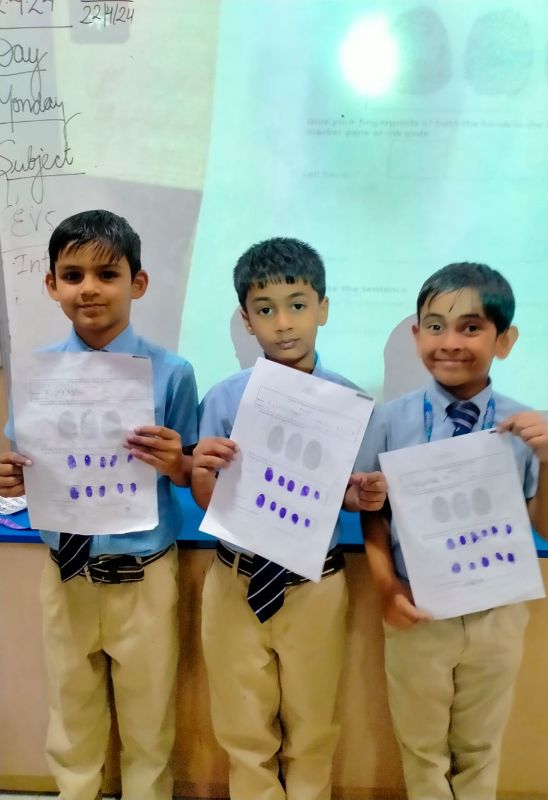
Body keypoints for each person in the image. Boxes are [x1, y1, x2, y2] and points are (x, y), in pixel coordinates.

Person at [0, 209, 199, 800]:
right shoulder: (35, 375)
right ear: (51, 285)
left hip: (144, 575)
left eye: (107, 274)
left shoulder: (172, 372)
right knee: (72, 716)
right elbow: (24, 465)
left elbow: (190, 471)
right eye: (72, 275)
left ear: (138, 283)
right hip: (67, 573)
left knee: (149, 721)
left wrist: (176, 463)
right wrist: (9, 477)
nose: (89, 288)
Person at [357, 262, 548, 800]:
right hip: (418, 608)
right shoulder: (389, 420)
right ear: (416, 335)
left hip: (496, 611)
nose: (450, 342)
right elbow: (373, 513)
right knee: (421, 748)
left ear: (504, 340)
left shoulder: (523, 426)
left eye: (471, 327)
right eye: (435, 326)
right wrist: (385, 587)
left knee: (479, 748)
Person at [191, 237, 387, 800]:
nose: (283, 323)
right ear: (246, 319)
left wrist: (364, 497)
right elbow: (209, 499)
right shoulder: (224, 399)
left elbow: (350, 497)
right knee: (243, 730)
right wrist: (202, 469)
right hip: (236, 578)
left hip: (314, 584)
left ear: (322, 308)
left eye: (298, 305)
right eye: (265, 309)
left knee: (313, 728)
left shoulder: (351, 404)